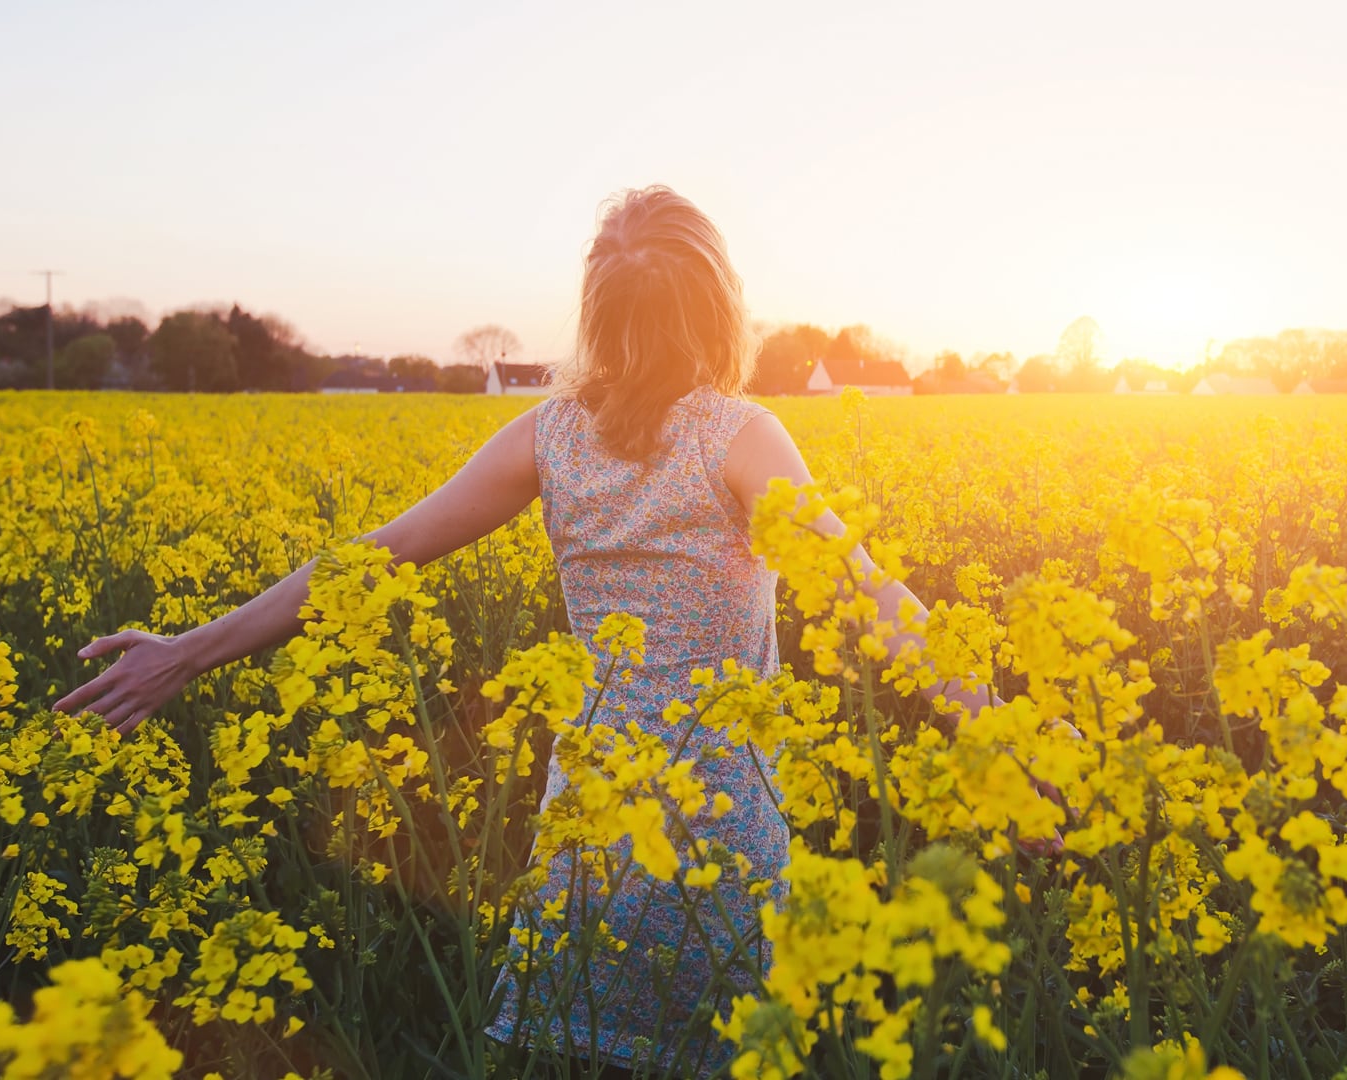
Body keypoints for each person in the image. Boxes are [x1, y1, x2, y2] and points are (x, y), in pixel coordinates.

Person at [53, 185, 990, 1078]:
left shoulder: (548, 438)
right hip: (718, 830)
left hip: (588, 826)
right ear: (718, 305)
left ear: (597, 309)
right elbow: (871, 598)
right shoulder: (741, 435)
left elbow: (373, 555)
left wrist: (187, 651)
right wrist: (998, 736)